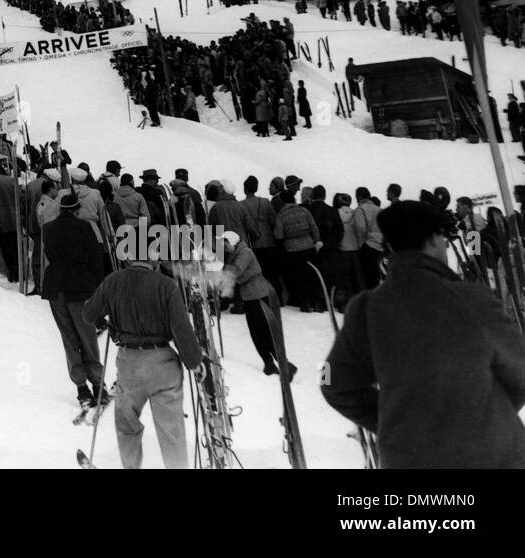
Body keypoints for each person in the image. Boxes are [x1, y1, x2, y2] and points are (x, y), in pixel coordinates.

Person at [322, 200, 525, 468]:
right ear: (432, 240)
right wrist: (485, 412)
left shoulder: (366, 309)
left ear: (390, 247)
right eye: (440, 238)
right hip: (490, 455)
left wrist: (396, 422)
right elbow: (521, 372)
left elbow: (331, 380)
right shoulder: (473, 299)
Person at [82, 258, 203, 469]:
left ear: (129, 258)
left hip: (130, 364)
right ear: (154, 259)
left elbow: (89, 315)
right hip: (162, 363)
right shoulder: (167, 285)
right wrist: (194, 362)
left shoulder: (113, 281)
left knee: (126, 423)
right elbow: (181, 329)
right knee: (171, 429)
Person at [42, 189, 108, 413]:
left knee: (69, 337)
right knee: (87, 336)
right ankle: (98, 383)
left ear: (60, 208)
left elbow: (49, 255)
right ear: (77, 209)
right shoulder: (86, 227)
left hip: (55, 286)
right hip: (80, 286)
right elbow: (96, 258)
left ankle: (81, 386)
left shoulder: (48, 229)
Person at [221, 230, 292, 377]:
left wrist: (220, 268)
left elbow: (236, 271)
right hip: (249, 296)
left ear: (232, 242)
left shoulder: (244, 252)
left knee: (266, 331)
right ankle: (269, 363)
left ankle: (283, 364)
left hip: (260, 294)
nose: (224, 247)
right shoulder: (233, 254)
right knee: (256, 332)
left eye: (225, 244)